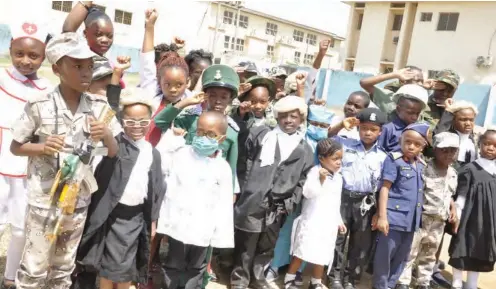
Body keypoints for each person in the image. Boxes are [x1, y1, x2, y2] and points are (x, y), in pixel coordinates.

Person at [10, 32, 120, 289]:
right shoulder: (39, 104)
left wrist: (105, 135)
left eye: (90, 67)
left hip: (77, 202)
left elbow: (113, 152)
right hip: (44, 202)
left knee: (63, 267)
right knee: (34, 266)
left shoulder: (99, 107)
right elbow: (16, 147)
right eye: (78, 66)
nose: (86, 73)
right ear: (58, 68)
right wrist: (42, 147)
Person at [71, 91, 166, 289]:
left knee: (126, 266)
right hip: (112, 215)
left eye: (143, 121)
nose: (137, 127)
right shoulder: (114, 145)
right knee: (108, 265)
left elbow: (156, 188)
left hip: (137, 217)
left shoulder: (152, 153)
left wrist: (154, 220)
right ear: (122, 121)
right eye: (131, 122)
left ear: (150, 120)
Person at [230, 95, 314, 289]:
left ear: (301, 119)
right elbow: (243, 162)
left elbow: (302, 180)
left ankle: (258, 279)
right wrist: (245, 190)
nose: (289, 121)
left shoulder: (304, 148)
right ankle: (239, 280)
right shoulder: (262, 135)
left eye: (294, 116)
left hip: (279, 207)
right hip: (253, 199)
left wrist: (291, 202)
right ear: (277, 117)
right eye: (284, 116)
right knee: (246, 244)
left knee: (267, 245)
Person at [155, 111, 235, 289]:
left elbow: (224, 205)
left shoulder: (222, 168)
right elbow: (159, 160)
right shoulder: (181, 154)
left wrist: (220, 235)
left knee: (196, 268)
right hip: (178, 225)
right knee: (173, 264)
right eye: (200, 132)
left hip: (203, 228)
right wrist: (172, 139)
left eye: (211, 134)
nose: (203, 138)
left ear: (221, 139)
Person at [0, 21, 51, 289]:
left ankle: (10, 277)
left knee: (20, 227)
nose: (26, 61)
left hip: (24, 167)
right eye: (19, 53)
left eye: (34, 56)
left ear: (44, 57)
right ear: (10, 48)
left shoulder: (46, 90)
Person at [265, 103, 334, 284]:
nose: (318, 128)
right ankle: (274, 266)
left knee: (304, 236)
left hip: (314, 198)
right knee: (286, 230)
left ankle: (297, 271)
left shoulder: (327, 145)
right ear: (307, 122)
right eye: (315, 123)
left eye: (323, 126)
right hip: (293, 193)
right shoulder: (298, 138)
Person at [328, 108, 387, 289]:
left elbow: (382, 187)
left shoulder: (383, 157)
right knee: (338, 239)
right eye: (364, 128)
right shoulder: (345, 145)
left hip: (366, 203)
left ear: (380, 132)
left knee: (360, 244)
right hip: (343, 198)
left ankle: (351, 278)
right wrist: (341, 124)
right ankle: (334, 276)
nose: (368, 132)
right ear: (358, 128)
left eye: (373, 129)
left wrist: (379, 211)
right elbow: (327, 138)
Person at [396, 132, 459, 289]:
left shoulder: (453, 173)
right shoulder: (423, 168)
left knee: (430, 254)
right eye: (444, 150)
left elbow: (449, 193)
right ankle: (402, 281)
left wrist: (453, 208)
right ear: (435, 149)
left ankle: (423, 281)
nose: (448, 154)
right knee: (410, 251)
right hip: (421, 219)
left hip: (439, 221)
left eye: (452, 150)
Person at [372, 123, 429, 289]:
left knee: (402, 257)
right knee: (385, 257)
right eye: (408, 142)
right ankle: (380, 286)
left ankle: (390, 285)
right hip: (393, 218)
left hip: (411, 220)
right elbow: (385, 188)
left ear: (423, 146)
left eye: (417, 144)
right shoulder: (393, 159)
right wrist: (382, 216)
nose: (411, 146)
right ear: (400, 140)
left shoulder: (420, 164)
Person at [284, 139, 346, 289]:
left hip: (328, 224)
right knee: (303, 251)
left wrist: (339, 221)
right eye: (335, 159)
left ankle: (316, 281)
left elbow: (336, 202)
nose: (339, 162)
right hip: (312, 221)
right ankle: (290, 278)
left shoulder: (338, 177)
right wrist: (321, 179)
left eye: (340, 159)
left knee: (323, 254)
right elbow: (308, 193)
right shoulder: (314, 172)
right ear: (321, 159)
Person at [139, 9, 198, 147]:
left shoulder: (191, 104)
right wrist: (149, 27)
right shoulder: (151, 93)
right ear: (159, 81)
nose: (173, 90)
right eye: (167, 84)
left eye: (179, 85)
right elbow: (146, 62)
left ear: (187, 83)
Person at [448, 129, 496, 289]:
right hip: (468, 217)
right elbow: (461, 195)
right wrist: (458, 215)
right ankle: (456, 280)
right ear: (479, 145)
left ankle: (472, 283)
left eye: (495, 146)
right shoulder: (470, 168)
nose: (490, 148)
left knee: (480, 248)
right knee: (462, 246)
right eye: (487, 144)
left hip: (488, 219)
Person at [232, 76, 277, 186]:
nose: (258, 106)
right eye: (253, 101)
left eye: (263, 101)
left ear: (269, 100)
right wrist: (241, 114)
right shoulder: (241, 116)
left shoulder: (273, 121)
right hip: (240, 168)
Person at [377, 84, 428, 152]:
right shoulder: (388, 129)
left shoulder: (418, 130)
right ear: (398, 109)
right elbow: (378, 151)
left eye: (417, 113)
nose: (414, 117)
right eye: (410, 113)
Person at [359, 66, 424, 119]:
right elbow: (364, 83)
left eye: (422, 81)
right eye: (417, 80)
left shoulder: (423, 101)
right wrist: (394, 74)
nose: (421, 84)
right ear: (403, 81)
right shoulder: (389, 97)